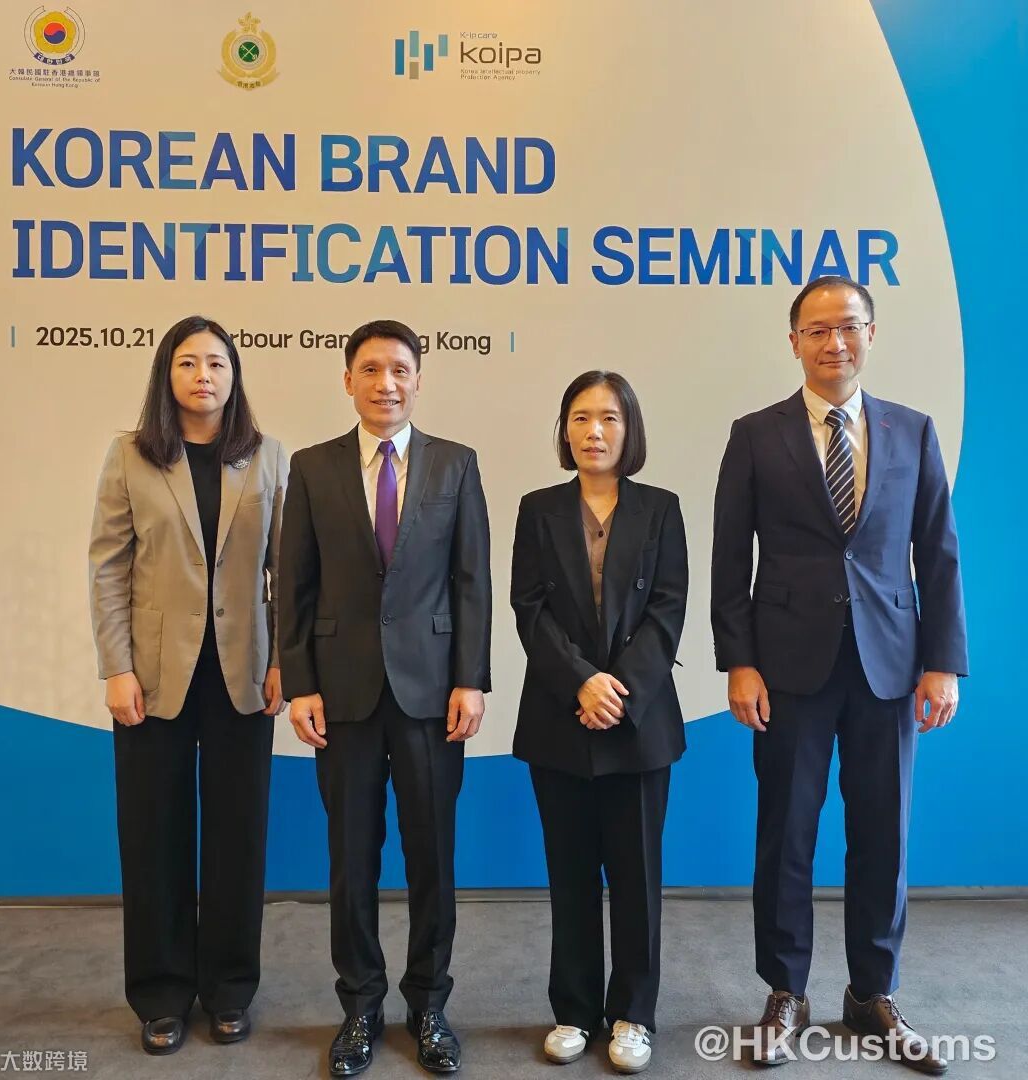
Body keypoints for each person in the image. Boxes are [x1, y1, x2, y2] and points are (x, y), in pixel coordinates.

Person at [711, 276, 967, 1073]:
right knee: (786, 834)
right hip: (788, 667)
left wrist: (943, 662)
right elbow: (729, 559)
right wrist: (739, 660)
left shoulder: (912, 431)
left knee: (883, 834)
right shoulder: (755, 434)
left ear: (871, 334)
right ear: (793, 341)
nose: (835, 343)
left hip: (890, 665)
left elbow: (939, 552)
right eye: (818, 330)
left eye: (849, 327)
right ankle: (785, 991)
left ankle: (872, 992)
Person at [277, 319, 491, 1077]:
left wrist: (471, 678)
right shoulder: (312, 467)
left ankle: (429, 1003)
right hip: (342, 695)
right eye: (370, 369)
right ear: (348, 380)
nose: (386, 383)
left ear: (418, 379)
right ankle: (360, 1006)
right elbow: (293, 584)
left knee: (432, 858)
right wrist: (299, 682)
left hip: (433, 694)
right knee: (350, 861)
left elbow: (472, 580)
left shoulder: (455, 463)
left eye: (400, 369)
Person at [88, 315, 287, 1055]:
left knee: (239, 837)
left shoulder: (267, 457)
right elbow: (108, 566)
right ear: (166, 376)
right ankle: (161, 994)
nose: (204, 375)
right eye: (188, 363)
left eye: (217, 363)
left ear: (234, 377)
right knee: (153, 836)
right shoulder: (131, 455)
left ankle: (230, 989)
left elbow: (289, 572)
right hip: (152, 676)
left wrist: (284, 662)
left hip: (244, 674)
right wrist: (116, 667)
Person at [511, 371, 688, 1075]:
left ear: (629, 428)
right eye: (581, 417)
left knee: (638, 877)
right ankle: (575, 1010)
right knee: (570, 874)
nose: (594, 431)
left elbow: (668, 610)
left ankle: (634, 1013)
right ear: (565, 429)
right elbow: (529, 609)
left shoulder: (661, 508)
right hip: (560, 718)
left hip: (638, 722)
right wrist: (581, 682)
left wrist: (618, 688)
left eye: (609, 417)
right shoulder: (538, 509)